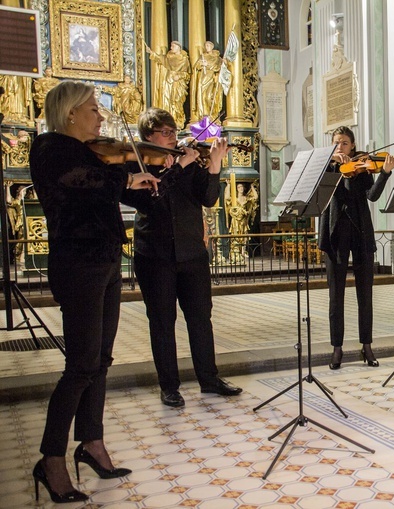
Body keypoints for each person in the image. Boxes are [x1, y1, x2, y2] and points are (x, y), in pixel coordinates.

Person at [29, 80, 159, 503]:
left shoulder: (94, 157)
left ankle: (91, 442)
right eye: (93, 109)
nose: (101, 116)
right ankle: (51, 458)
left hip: (104, 260)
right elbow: (91, 183)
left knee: (101, 359)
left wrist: (151, 179)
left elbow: (116, 191)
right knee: (81, 365)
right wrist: (124, 174)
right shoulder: (51, 149)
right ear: (70, 113)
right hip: (78, 263)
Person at [121, 107, 242, 408]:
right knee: (162, 321)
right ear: (148, 137)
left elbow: (209, 199)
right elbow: (153, 197)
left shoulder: (188, 162)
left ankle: (209, 379)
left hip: (192, 253)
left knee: (201, 318)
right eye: (166, 132)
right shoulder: (137, 166)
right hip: (155, 254)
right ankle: (169, 387)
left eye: (174, 131)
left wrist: (213, 167)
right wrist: (179, 166)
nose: (174, 137)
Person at [318, 126, 394, 370]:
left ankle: (367, 345)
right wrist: (331, 162)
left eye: (344, 142)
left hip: (361, 233)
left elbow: (372, 196)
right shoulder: (326, 167)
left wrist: (384, 173)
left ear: (352, 145)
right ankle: (337, 348)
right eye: (336, 142)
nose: (340, 146)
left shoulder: (363, 166)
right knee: (336, 296)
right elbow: (321, 192)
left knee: (365, 294)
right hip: (335, 235)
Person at [146, 41, 191, 128]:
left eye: (173, 46)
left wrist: (179, 76)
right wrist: (151, 52)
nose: (171, 48)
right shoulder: (168, 57)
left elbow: (187, 74)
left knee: (177, 102)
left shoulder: (184, 59)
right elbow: (159, 58)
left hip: (178, 84)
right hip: (168, 83)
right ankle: (168, 121)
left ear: (178, 47)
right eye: (171, 46)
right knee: (167, 101)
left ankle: (177, 120)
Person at [192, 41, 226, 121]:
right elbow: (195, 67)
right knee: (202, 96)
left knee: (209, 97)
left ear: (212, 47)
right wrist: (201, 64)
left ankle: (212, 115)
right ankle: (205, 115)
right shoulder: (203, 56)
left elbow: (219, 67)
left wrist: (208, 65)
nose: (207, 47)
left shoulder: (216, 57)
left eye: (208, 45)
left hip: (212, 78)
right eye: (206, 46)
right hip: (202, 79)